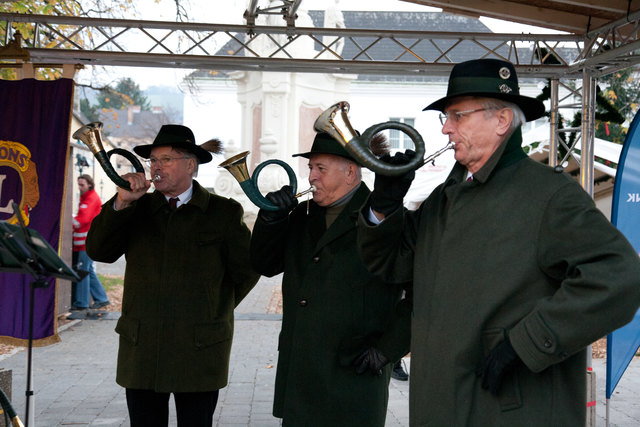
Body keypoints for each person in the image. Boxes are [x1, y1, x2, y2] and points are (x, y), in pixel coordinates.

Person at [357, 58, 640, 425]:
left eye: (458, 116)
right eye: (446, 117)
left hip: (507, 411)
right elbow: (391, 264)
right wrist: (382, 208)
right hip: (443, 406)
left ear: (502, 121)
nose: (445, 128)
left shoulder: (549, 195)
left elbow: (620, 277)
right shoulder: (447, 197)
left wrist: (527, 344)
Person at [86, 124, 259, 427]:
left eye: (166, 159)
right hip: (142, 348)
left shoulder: (222, 212)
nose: (156, 167)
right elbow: (99, 251)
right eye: (153, 160)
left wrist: (213, 307)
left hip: (199, 349)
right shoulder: (136, 207)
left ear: (190, 165)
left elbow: (247, 271)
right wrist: (122, 203)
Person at [250, 132, 411, 426]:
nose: (311, 177)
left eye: (319, 169)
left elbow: (418, 293)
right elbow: (265, 264)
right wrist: (270, 220)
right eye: (311, 168)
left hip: (354, 370)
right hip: (302, 369)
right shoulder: (302, 214)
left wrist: (389, 349)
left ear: (350, 171)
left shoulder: (383, 214)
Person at [71, 174, 110, 310]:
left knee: (83, 270)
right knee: (88, 271)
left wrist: (67, 223)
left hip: (86, 243)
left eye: (82, 185)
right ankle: (101, 298)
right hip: (85, 242)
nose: (80, 187)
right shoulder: (86, 198)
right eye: (79, 184)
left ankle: (82, 303)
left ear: (89, 184)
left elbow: (83, 220)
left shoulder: (91, 198)